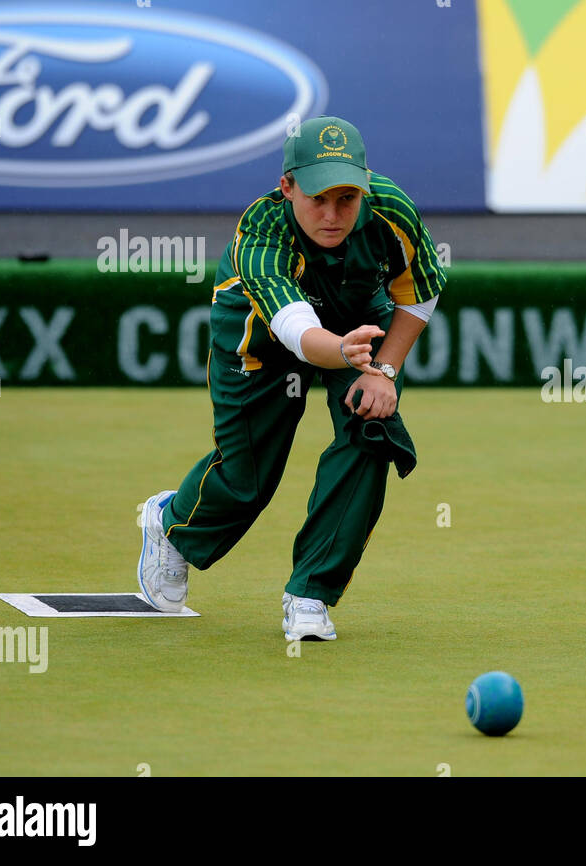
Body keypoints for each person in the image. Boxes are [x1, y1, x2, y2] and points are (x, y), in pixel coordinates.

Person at [135, 116, 445, 641]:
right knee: (247, 479)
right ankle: (171, 525)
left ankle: (310, 595)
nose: (332, 214)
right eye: (317, 198)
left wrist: (383, 372)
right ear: (288, 187)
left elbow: (420, 292)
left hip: (352, 318)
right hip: (260, 335)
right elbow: (297, 330)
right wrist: (342, 352)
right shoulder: (262, 229)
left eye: (347, 198)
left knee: (372, 430)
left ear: (365, 186)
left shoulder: (392, 210)